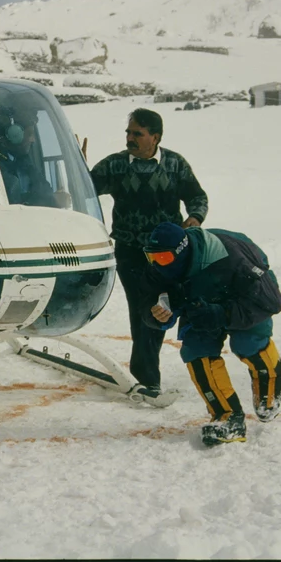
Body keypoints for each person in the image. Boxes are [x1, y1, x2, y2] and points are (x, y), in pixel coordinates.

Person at [89, 108, 209, 397]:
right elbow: (85, 188)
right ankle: (146, 378)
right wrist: (77, 170)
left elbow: (198, 196)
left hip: (168, 255)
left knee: (160, 307)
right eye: (128, 133)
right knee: (144, 307)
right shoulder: (115, 165)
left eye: (137, 134)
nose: (130, 138)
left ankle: (144, 374)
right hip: (130, 251)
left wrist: (195, 217)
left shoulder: (175, 165)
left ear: (155, 137)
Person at [142, 222, 281, 447]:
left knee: (248, 343)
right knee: (196, 352)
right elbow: (152, 300)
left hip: (244, 298)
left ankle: (270, 391)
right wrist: (159, 315)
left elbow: (269, 302)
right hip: (200, 302)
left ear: (181, 251)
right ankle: (227, 417)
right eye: (152, 258)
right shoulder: (160, 265)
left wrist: (222, 314)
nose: (157, 265)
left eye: (163, 259)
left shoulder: (233, 260)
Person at [0, 102, 57, 207]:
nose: (33, 140)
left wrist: (53, 198)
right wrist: (52, 201)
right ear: (13, 135)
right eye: (29, 134)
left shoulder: (24, 161)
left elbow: (45, 188)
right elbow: (12, 201)